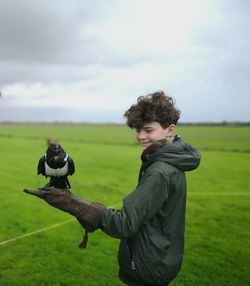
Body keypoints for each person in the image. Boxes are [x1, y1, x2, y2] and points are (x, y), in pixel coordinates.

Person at [24, 91, 201, 286]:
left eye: (148, 130)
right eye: (138, 130)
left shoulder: (160, 171)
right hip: (162, 257)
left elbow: (124, 224)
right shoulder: (171, 159)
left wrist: (71, 202)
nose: (141, 136)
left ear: (170, 130)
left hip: (147, 267)